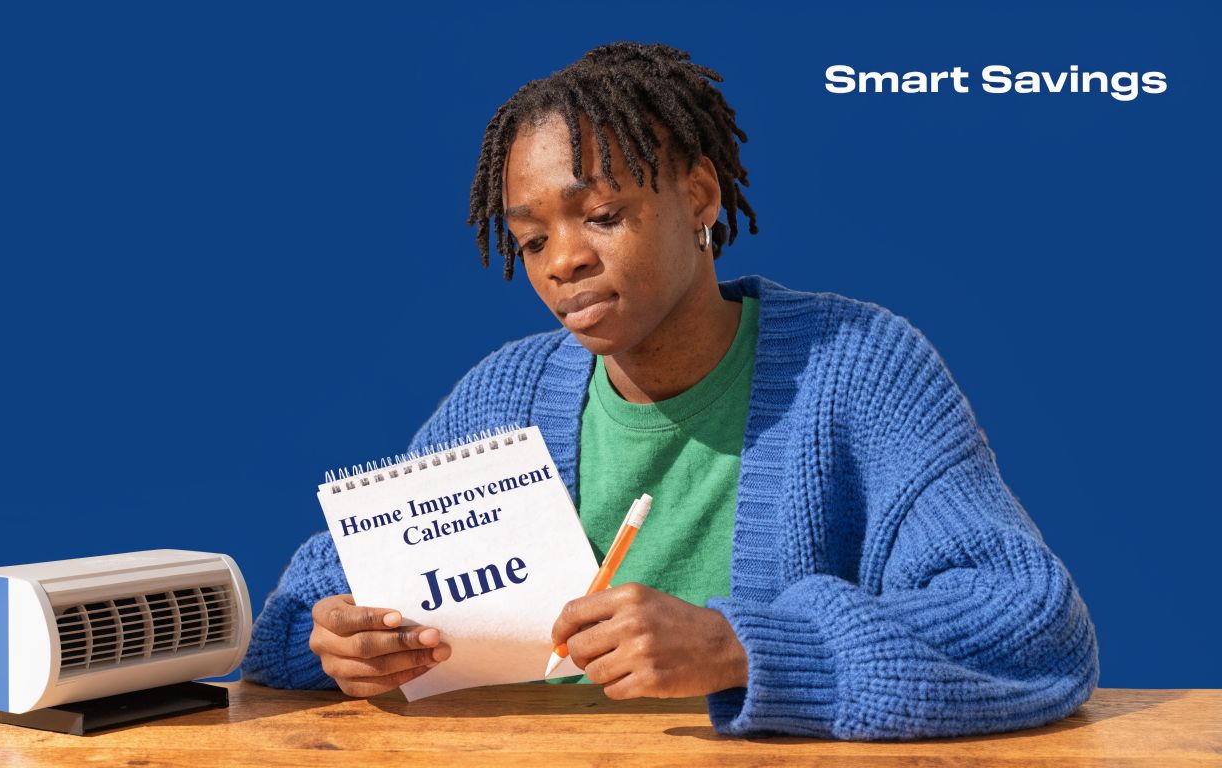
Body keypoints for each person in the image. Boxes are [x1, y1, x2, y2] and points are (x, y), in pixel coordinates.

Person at [241, 41, 1098, 740]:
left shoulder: (857, 367)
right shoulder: (504, 397)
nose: (564, 259)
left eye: (601, 215)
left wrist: (742, 650)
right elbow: (296, 619)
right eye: (531, 240)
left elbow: (1028, 623)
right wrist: (339, 643)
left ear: (698, 197)